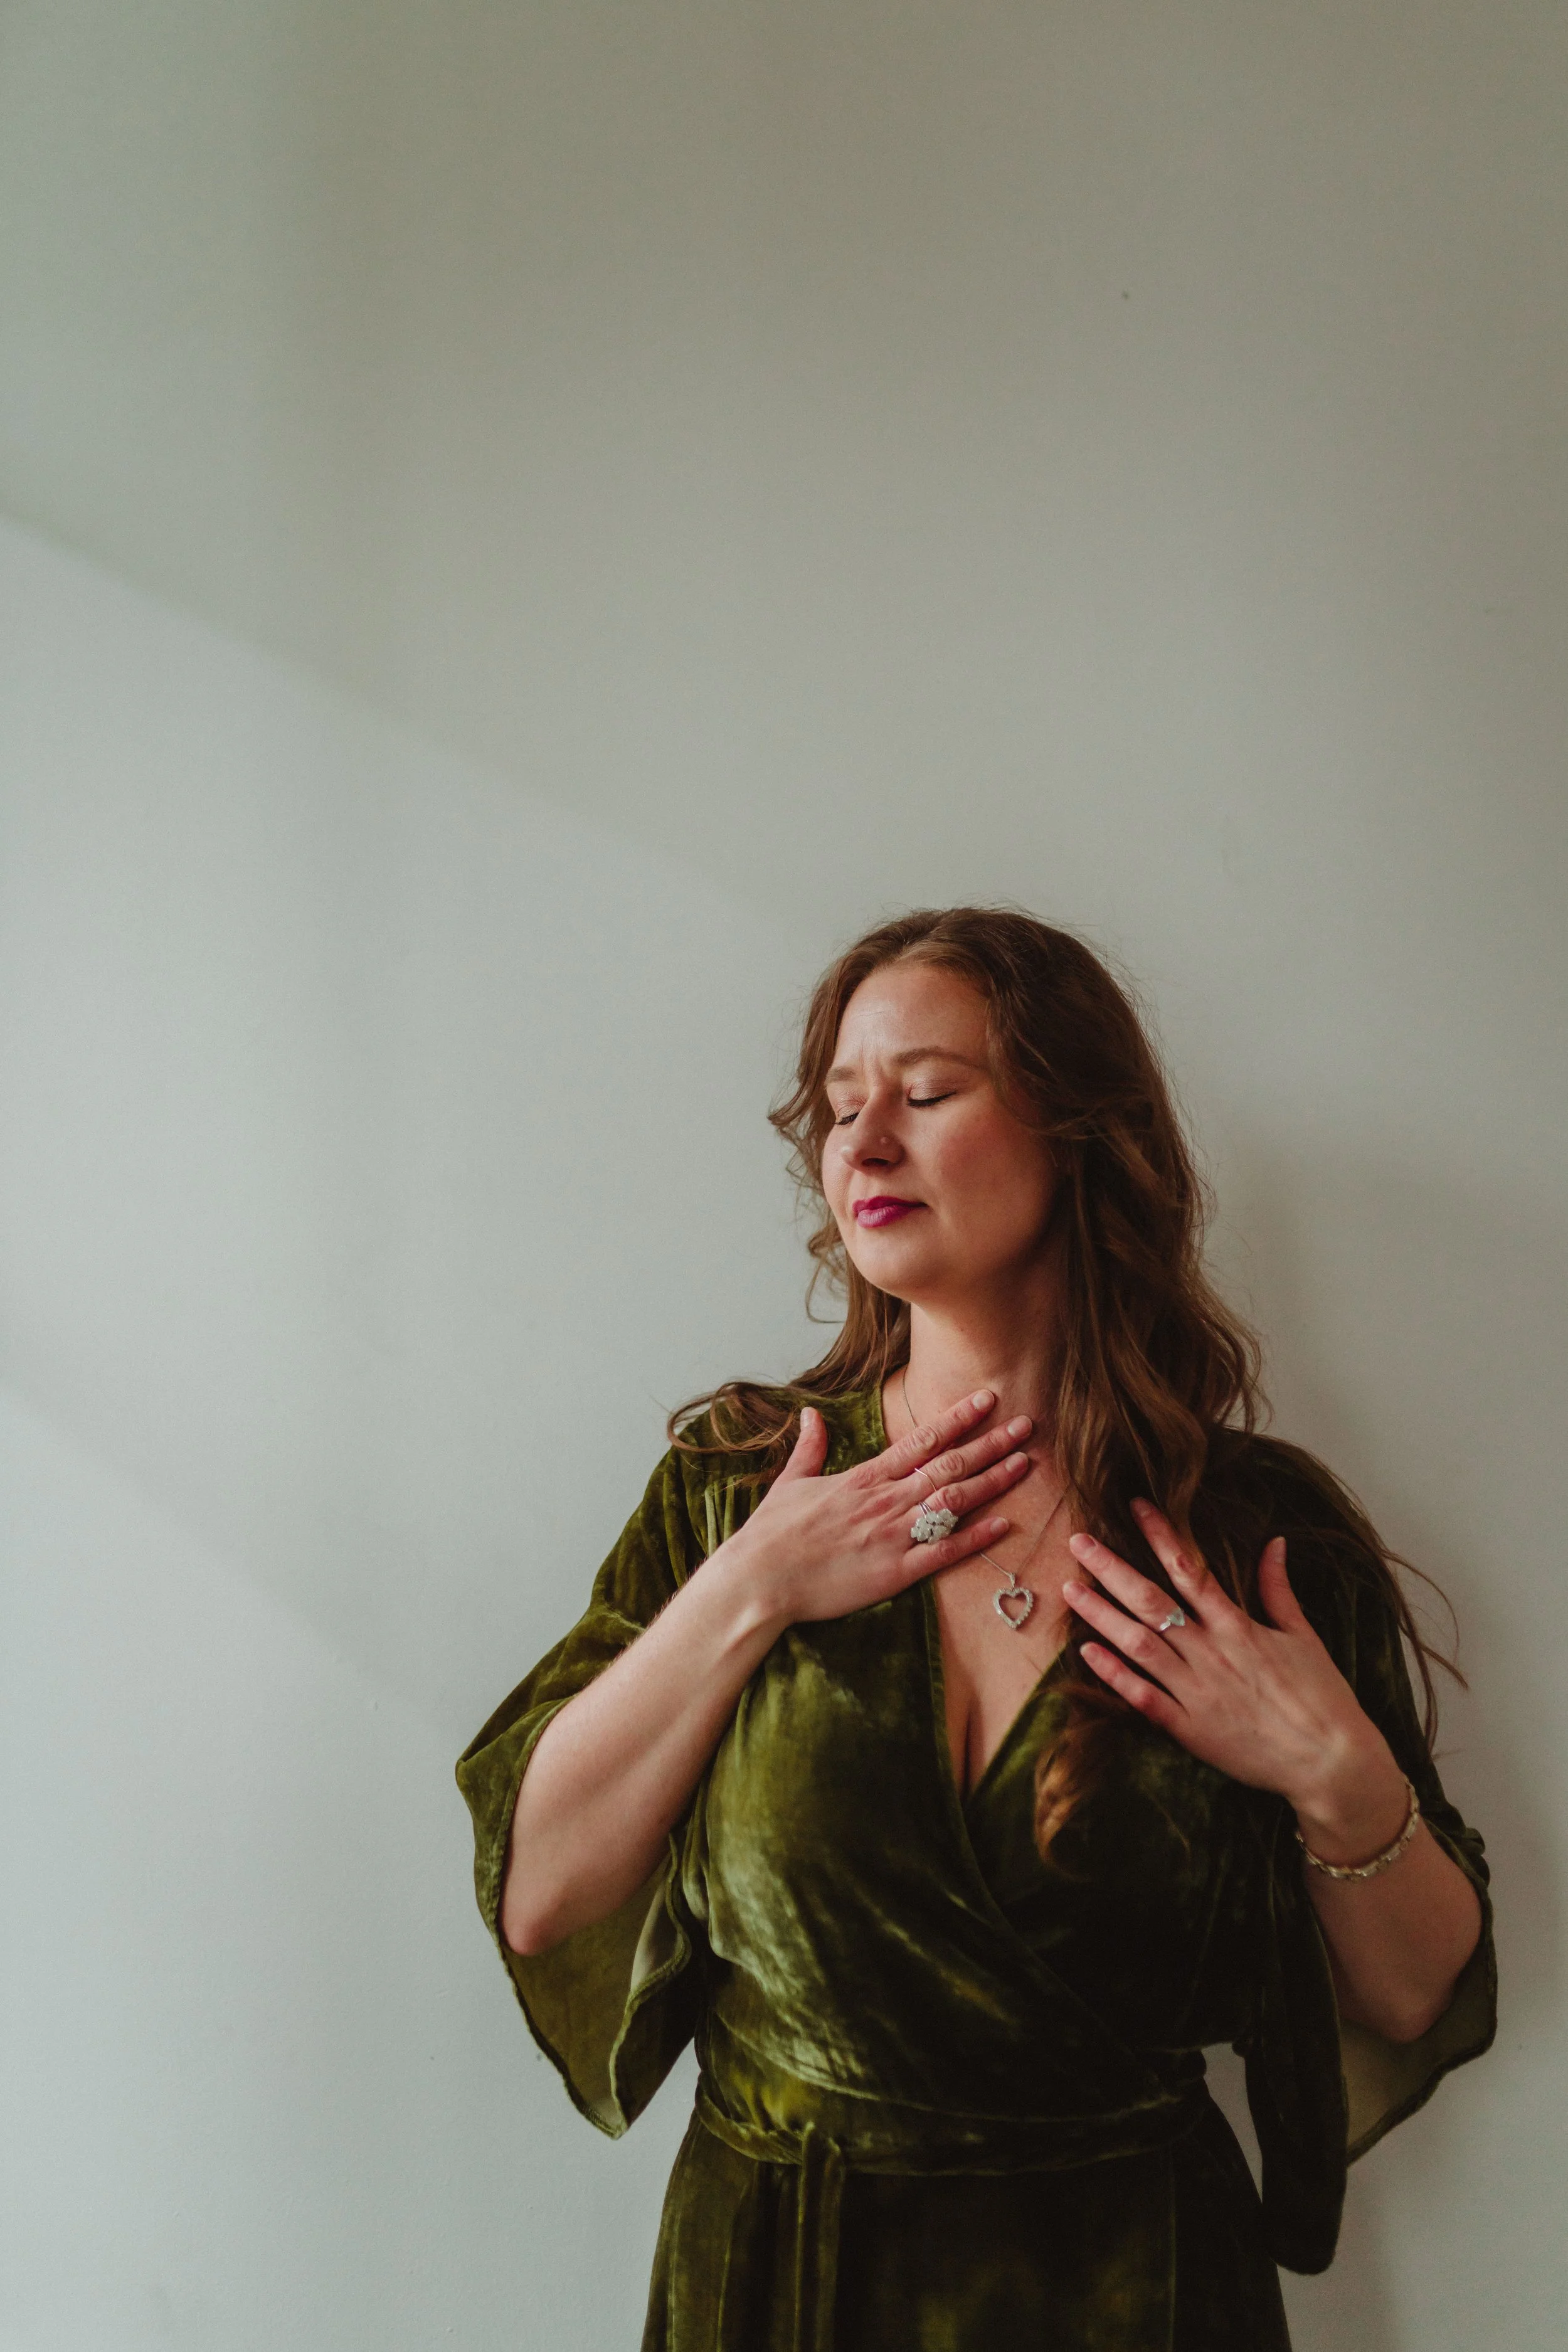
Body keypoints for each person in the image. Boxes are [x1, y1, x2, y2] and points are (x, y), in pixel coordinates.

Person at [457, 906, 1494, 2351]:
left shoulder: (1257, 1533)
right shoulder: (735, 1492)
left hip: (1133, 2285)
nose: (863, 1143)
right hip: (784, 2276)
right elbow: (542, 1894)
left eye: (926, 1093)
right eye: (837, 1108)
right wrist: (754, 1589)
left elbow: (1407, 1984)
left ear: (1079, 1133)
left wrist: (1331, 1769)